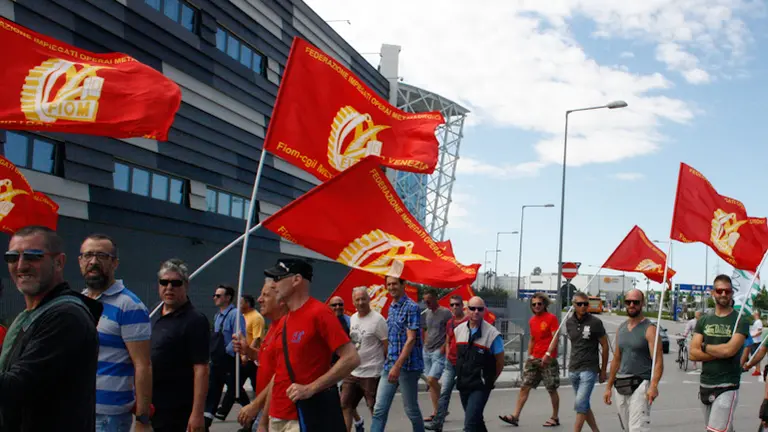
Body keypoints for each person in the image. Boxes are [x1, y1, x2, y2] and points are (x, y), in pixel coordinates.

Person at [0, 225, 102, 431]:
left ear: (59, 262)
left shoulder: (65, 317)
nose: (21, 266)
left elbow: (14, 389)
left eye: (32, 256)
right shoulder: (32, 315)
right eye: (12, 257)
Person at [266, 258, 360, 431]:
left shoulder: (320, 313)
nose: (273, 284)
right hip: (277, 415)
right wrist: (264, 420)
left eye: (278, 278)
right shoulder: (284, 321)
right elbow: (279, 371)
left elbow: (351, 358)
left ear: (296, 280)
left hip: (304, 416)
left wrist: (311, 388)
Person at [80, 234, 153, 432]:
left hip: (108, 418)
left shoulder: (130, 306)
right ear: (80, 261)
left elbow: (143, 365)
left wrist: (142, 419)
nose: (93, 261)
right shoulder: (78, 302)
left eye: (101, 256)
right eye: (88, 255)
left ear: (114, 263)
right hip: (77, 410)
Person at [150, 258, 210, 432]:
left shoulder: (195, 320)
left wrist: (197, 413)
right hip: (153, 406)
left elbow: (201, 369)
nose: (169, 287)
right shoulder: (155, 314)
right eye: (164, 282)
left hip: (178, 409)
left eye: (175, 283)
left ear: (185, 285)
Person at [689, 274, 749, 432]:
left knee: (714, 430)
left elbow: (730, 350)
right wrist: (720, 352)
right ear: (713, 292)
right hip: (705, 384)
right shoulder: (704, 320)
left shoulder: (739, 320)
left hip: (727, 385)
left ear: (732, 293)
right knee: (722, 429)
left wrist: (704, 346)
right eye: (720, 290)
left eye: (727, 291)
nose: (723, 294)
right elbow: (692, 353)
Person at [603, 289, 664, 431]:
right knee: (627, 427)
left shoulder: (650, 329)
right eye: (628, 302)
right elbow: (616, 359)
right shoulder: (621, 329)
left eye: (635, 302)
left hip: (641, 384)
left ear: (642, 304)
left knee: (637, 428)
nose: (631, 305)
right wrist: (608, 387)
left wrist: (653, 385)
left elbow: (658, 361)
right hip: (621, 384)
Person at [371, 276, 425, 432]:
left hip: (407, 367)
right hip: (389, 365)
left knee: (411, 410)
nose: (391, 287)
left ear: (403, 284)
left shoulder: (412, 307)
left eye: (394, 283)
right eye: (388, 284)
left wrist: (397, 366)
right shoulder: (392, 307)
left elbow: (411, 339)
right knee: (379, 409)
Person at [499, 292, 560, 427]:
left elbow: (555, 337)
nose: (537, 306)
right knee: (524, 386)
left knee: (551, 388)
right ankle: (515, 416)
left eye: (539, 304)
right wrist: (529, 355)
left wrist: (548, 354)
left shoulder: (551, 318)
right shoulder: (532, 321)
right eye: (534, 304)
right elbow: (532, 339)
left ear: (544, 304)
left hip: (548, 359)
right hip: (534, 359)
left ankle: (555, 417)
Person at [235, 279, 288, 431]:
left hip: (275, 408)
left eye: (265, 295)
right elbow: (267, 359)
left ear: (281, 301)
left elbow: (279, 374)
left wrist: (256, 406)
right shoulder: (273, 326)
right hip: (266, 406)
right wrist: (248, 350)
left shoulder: (285, 328)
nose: (259, 299)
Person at [340, 287, 388, 432]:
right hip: (353, 371)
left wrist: (383, 368)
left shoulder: (378, 320)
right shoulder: (353, 318)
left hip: (372, 373)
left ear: (369, 299)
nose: (360, 302)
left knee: (374, 409)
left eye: (363, 299)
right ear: (353, 301)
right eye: (357, 299)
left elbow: (386, 345)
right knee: (345, 405)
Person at [455, 296, 505, 432]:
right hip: (464, 383)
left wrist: (490, 379)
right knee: (476, 420)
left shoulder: (493, 334)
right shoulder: (458, 330)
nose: (476, 311)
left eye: (480, 309)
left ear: (484, 311)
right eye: (472, 308)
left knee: (469, 425)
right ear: (466, 310)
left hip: (480, 386)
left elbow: (500, 362)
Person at [205, 284, 248, 428]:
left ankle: (253, 417)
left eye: (218, 295)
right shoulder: (218, 315)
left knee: (237, 392)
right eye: (214, 295)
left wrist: (226, 351)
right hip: (217, 362)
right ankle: (206, 423)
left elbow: (240, 335)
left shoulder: (235, 315)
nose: (215, 298)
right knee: (213, 392)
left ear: (228, 298)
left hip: (229, 361)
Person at [565, 291, 609, 432]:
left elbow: (605, 345)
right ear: (574, 305)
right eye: (579, 304)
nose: (583, 306)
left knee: (580, 403)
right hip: (573, 368)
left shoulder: (595, 322)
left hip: (589, 369)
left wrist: (602, 370)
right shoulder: (569, 322)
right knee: (583, 404)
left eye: (585, 304)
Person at [426, 294, 468, 432]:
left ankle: (473, 420)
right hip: (451, 363)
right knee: (444, 393)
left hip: (465, 364)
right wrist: (448, 354)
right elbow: (448, 340)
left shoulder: (468, 321)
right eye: (452, 305)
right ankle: (438, 422)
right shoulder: (450, 322)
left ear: (462, 306)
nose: (455, 307)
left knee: (465, 394)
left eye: (457, 304)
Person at [421, 290, 452, 423]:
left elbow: (450, 331)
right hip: (427, 350)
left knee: (432, 380)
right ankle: (437, 412)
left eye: (428, 300)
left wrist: (444, 347)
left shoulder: (445, 313)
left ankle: (442, 408)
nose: (426, 303)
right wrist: (424, 344)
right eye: (424, 301)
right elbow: (426, 330)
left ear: (435, 298)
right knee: (430, 383)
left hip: (438, 352)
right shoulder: (426, 313)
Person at [750, 310, 764, 376]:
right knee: (754, 356)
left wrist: (752, 336)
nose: (752, 314)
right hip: (754, 341)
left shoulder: (758, 322)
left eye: (754, 312)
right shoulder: (756, 321)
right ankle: (757, 370)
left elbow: (760, 332)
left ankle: (758, 370)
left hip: (756, 341)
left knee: (755, 356)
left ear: (756, 314)